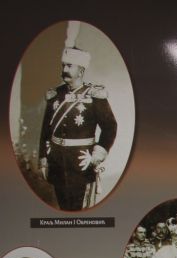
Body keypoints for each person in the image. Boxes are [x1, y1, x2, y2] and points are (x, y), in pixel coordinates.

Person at [38, 29, 117, 211]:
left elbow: (110, 127)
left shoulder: (94, 96)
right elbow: (45, 130)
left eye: (69, 66)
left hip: (81, 163)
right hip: (56, 162)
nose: (64, 70)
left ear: (81, 70)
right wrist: (43, 158)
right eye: (63, 66)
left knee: (78, 210)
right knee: (63, 208)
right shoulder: (55, 95)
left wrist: (97, 155)